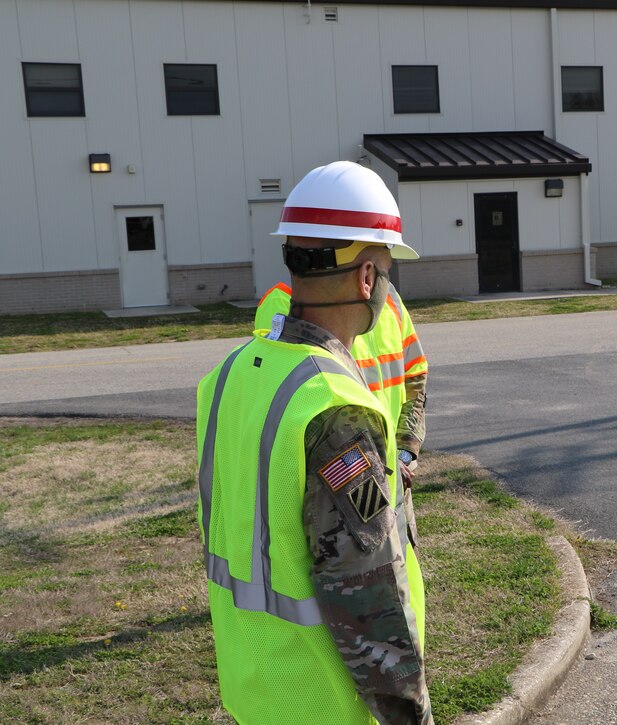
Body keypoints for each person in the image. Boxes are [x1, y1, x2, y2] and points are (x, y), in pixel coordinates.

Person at [196, 160, 432, 725]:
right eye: (388, 270)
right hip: (323, 698)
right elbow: (365, 590)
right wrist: (410, 714)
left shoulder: (229, 376)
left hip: (255, 683)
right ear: (367, 277)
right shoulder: (334, 408)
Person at [255, 276, 428, 489]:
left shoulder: (390, 298)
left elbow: (415, 375)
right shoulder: (284, 301)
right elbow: (297, 406)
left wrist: (404, 451)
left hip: (397, 475)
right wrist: (377, 462)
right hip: (339, 480)